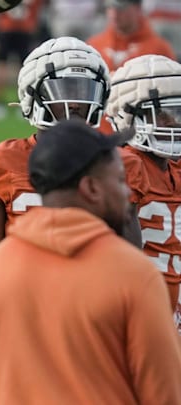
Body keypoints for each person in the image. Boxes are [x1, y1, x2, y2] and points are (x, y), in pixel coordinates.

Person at [0, 118, 181, 404]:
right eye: (119, 180)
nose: (128, 191)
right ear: (91, 189)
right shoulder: (133, 275)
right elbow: (163, 393)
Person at [0, 36, 142, 265]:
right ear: (33, 94)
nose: (77, 102)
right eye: (65, 89)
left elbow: (130, 261)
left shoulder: (121, 163)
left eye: (85, 90)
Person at [105, 54, 181, 332]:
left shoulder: (175, 167)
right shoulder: (125, 163)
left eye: (177, 112)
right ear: (127, 115)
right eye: (161, 113)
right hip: (137, 301)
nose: (172, 123)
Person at [86, 0, 175, 133]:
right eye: (109, 7)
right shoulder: (93, 46)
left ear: (138, 8)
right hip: (97, 134)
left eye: (121, 7)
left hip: (141, 135)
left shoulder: (159, 49)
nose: (113, 13)